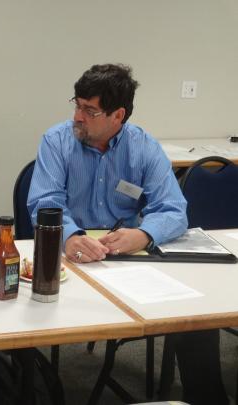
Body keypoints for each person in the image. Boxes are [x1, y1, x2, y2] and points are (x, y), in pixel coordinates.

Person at [27, 64, 228, 405]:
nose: (78, 116)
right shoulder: (56, 141)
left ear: (118, 114)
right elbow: (45, 203)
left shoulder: (143, 146)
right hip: (70, 258)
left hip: (126, 259)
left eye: (89, 110)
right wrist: (72, 235)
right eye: (76, 105)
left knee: (196, 315)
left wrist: (144, 235)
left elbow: (173, 208)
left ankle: (208, 398)